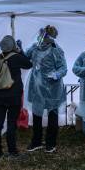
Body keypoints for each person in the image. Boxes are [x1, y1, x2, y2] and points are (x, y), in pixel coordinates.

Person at [24, 25, 67, 153]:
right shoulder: (36, 47)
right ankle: (36, 141)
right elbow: (26, 57)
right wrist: (29, 47)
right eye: (41, 35)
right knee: (37, 114)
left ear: (49, 37)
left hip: (52, 87)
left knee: (52, 115)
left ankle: (51, 143)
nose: (41, 37)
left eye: (43, 35)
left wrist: (56, 74)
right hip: (36, 86)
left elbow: (63, 68)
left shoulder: (56, 50)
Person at [0, 35, 32, 159]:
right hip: (14, 97)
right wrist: (20, 50)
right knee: (11, 124)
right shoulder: (16, 57)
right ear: (13, 46)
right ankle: (12, 151)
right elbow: (29, 64)